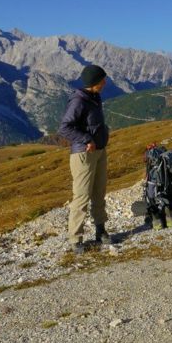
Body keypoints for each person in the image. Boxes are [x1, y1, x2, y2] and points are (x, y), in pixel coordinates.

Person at [58, 65, 113, 254]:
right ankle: (76, 239)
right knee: (82, 196)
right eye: (102, 80)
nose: (105, 83)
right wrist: (87, 139)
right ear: (94, 82)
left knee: (99, 193)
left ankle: (101, 230)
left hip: (99, 151)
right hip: (84, 154)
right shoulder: (78, 101)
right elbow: (65, 127)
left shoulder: (95, 97)